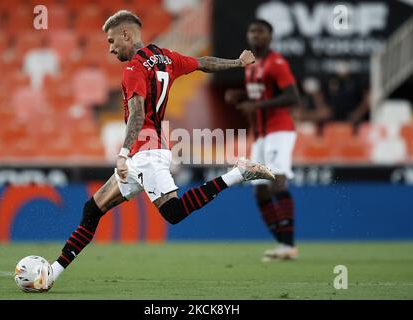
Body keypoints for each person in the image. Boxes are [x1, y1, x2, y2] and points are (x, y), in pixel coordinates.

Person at [47, 10, 275, 289]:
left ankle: (239, 173)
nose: (110, 48)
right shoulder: (167, 57)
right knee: (92, 209)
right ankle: (52, 273)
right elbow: (203, 63)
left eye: (111, 41)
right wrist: (238, 63)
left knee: (174, 213)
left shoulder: (133, 69)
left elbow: (137, 113)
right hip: (147, 151)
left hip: (146, 154)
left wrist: (122, 153)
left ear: (126, 34)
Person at [225, 19, 300, 261]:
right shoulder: (251, 65)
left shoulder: (277, 63)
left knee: (277, 181)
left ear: (270, 36)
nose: (256, 35)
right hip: (259, 135)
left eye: (261, 32)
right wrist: (241, 95)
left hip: (279, 130)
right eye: (252, 31)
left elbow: (292, 97)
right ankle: (281, 244)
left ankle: (288, 246)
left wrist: (255, 104)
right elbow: (263, 92)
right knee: (260, 192)